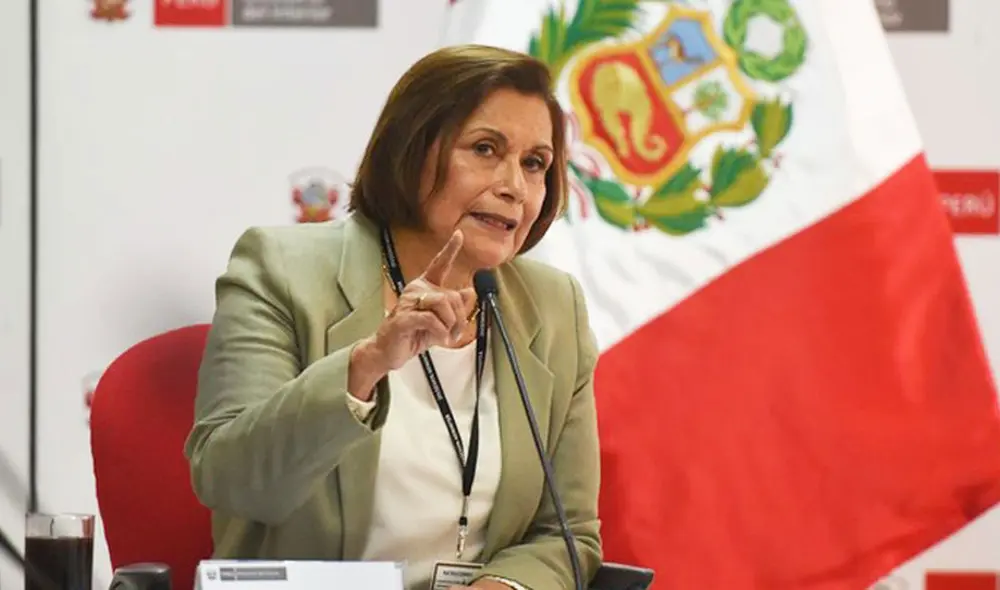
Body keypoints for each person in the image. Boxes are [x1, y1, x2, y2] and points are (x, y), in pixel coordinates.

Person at [184, 44, 602, 590]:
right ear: (412, 148)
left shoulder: (553, 307)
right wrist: (367, 364)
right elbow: (233, 481)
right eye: (484, 148)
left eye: (534, 164)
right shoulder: (282, 270)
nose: (514, 187)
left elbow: (566, 535)